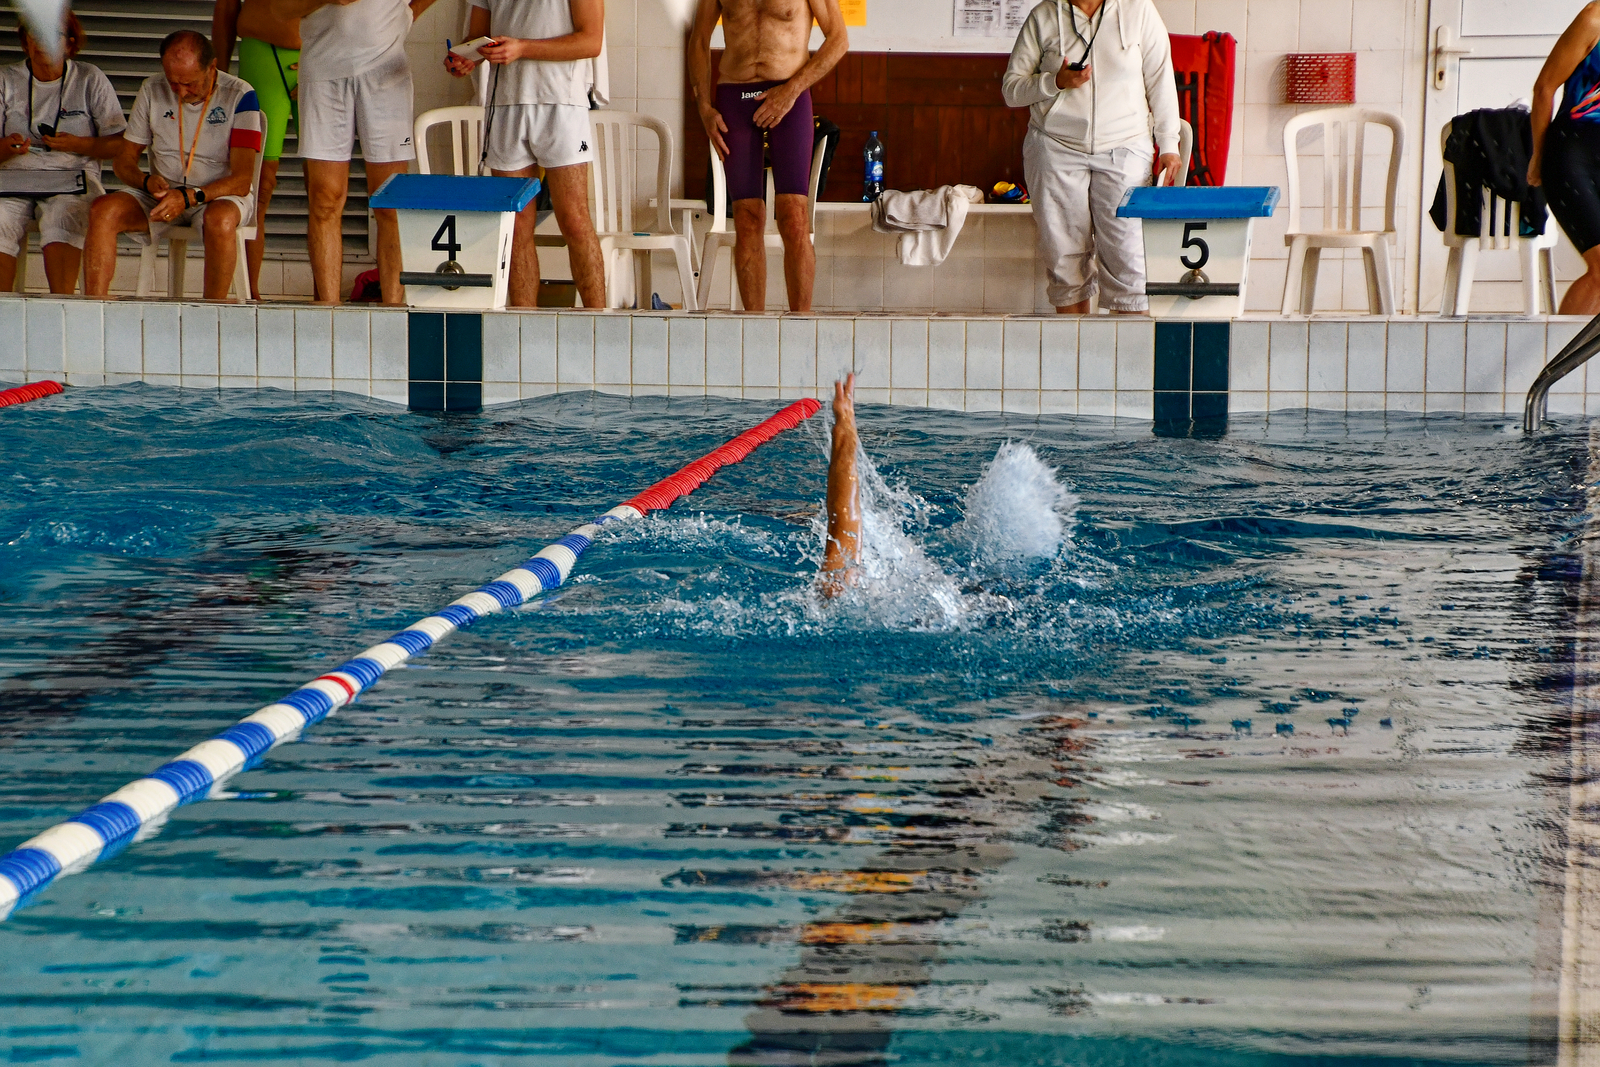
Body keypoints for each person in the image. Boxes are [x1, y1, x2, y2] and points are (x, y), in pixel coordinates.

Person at [1002, 0, 1180, 315]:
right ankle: (1075, 345)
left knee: (1128, 259)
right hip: (1055, 147)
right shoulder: (1043, 16)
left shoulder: (1138, 10)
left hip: (1126, 145)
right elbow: (1011, 91)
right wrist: (1055, 82)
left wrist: (1169, 143)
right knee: (1064, 259)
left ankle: (1127, 347)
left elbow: (1161, 78)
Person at [270, 0, 438, 304]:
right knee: (324, 199)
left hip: (386, 71)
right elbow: (279, 10)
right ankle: (328, 310)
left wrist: (406, 15)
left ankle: (393, 309)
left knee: (390, 201)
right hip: (323, 71)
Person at [442, 0, 605, 309]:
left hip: (561, 103)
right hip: (504, 104)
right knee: (515, 227)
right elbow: (477, 38)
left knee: (574, 219)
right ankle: (522, 323)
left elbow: (591, 41)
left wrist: (523, 48)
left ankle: (600, 323)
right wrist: (465, 59)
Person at [687, 0, 848, 313]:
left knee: (794, 216)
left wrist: (792, 90)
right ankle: (754, 327)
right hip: (734, 96)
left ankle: (801, 324)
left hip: (790, 95)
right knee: (747, 218)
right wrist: (704, 106)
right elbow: (699, 40)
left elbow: (839, 38)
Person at [84, 30, 263, 301]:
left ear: (212, 67)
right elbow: (123, 161)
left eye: (189, 83)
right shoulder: (151, 88)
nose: (181, 91)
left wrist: (190, 197)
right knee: (103, 210)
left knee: (220, 220)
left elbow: (241, 180)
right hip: (163, 196)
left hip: (218, 196)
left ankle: (213, 311)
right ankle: (93, 309)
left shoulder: (240, 95)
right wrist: (145, 181)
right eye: (173, 82)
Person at [0, 13, 125, 294]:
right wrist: (6, 148)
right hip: (12, 179)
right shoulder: (5, 79)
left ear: (70, 44)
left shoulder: (89, 78)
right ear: (25, 42)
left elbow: (120, 144)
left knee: (65, 215)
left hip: (72, 179)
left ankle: (61, 303)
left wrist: (79, 145)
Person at [212, 0, 300, 299]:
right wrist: (218, 76)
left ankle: (327, 299)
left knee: (326, 187)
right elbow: (226, 7)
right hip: (263, 52)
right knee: (259, 184)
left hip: (325, 53)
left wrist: (334, 59)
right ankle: (250, 293)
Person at [1530, 2, 1600, 315]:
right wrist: (1538, 154)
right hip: (1573, 157)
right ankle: (1558, 347)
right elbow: (1544, 87)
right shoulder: (1593, 19)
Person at [819, 372, 860, 598]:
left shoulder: (836, 589)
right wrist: (844, 422)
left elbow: (845, 518)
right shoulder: (836, 588)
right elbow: (845, 517)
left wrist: (844, 423)